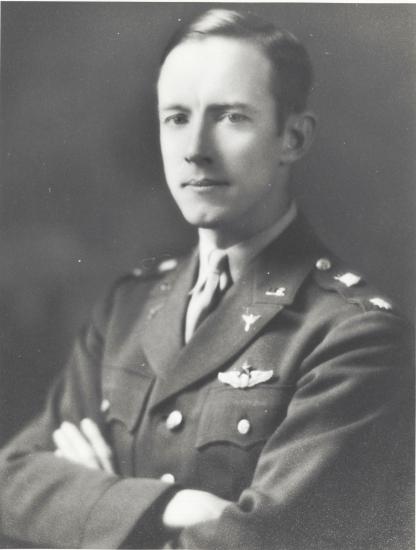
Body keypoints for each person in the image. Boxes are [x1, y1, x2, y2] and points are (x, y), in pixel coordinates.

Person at [0, 9, 413, 550]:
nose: (195, 147)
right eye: (176, 117)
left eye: (231, 117)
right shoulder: (129, 306)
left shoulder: (352, 336)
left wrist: (96, 505)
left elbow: (267, 544)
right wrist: (173, 506)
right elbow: (12, 481)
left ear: (293, 137)